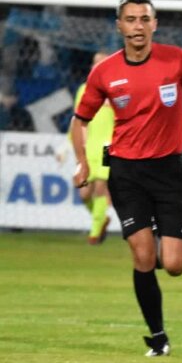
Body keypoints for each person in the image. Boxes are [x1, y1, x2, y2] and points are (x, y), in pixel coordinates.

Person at [70, 0, 182, 357]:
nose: (138, 26)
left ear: (155, 23)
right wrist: (82, 162)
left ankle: (154, 237)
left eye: (144, 19)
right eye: (131, 19)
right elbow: (80, 120)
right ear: (119, 25)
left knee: (175, 264)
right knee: (142, 258)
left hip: (169, 170)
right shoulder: (105, 72)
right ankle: (158, 337)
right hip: (126, 171)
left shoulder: (177, 60)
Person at [70, 52, 116, 244]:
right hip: (89, 146)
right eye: (94, 63)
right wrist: (75, 147)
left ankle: (95, 233)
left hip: (108, 146)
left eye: (100, 63)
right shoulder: (84, 89)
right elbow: (78, 120)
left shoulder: (117, 90)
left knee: (100, 187)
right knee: (83, 193)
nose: (95, 67)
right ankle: (102, 218)